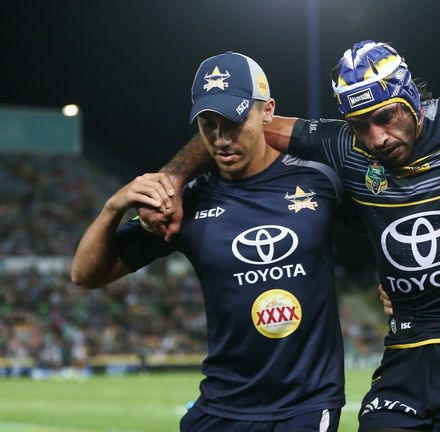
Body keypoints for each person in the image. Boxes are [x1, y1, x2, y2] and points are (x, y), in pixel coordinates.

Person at [141, 40, 440, 431]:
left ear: (411, 98)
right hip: (406, 352)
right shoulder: (344, 145)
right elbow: (241, 124)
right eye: (360, 125)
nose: (376, 138)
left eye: (386, 117)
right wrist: (173, 180)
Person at [71, 51, 345, 432]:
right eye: (208, 124)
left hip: (302, 408)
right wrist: (113, 206)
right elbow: (86, 275)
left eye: (233, 123)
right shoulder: (188, 204)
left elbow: (381, 219)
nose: (221, 139)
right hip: (219, 407)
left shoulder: (321, 180)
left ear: (267, 111)